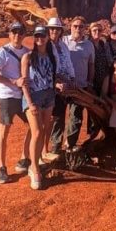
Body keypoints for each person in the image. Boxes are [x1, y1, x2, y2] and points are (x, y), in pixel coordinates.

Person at [0, 21, 31, 184]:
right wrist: (14, 82)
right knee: (4, 130)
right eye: (14, 32)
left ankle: (24, 159)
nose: (17, 35)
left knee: (34, 126)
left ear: (24, 35)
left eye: (20, 32)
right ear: (9, 34)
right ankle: (1, 168)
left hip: (23, 97)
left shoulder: (27, 52)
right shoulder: (2, 52)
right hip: (7, 97)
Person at [20, 25, 57, 189]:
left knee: (44, 129)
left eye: (42, 35)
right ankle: (33, 169)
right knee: (36, 132)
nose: (40, 38)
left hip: (48, 96)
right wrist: (29, 103)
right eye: (37, 36)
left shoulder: (51, 57)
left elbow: (52, 76)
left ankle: (38, 160)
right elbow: (24, 82)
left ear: (47, 37)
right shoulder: (28, 57)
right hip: (33, 97)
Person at [61, 16, 96, 152]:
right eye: (75, 26)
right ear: (70, 27)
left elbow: (91, 65)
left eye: (81, 27)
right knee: (58, 117)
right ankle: (56, 146)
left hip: (80, 87)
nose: (78, 29)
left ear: (85, 29)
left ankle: (70, 144)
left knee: (75, 117)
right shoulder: (63, 41)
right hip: (62, 86)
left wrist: (90, 82)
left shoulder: (89, 45)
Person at [45, 17, 75, 160]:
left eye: (57, 29)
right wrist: (55, 83)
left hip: (65, 85)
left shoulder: (63, 46)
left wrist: (72, 78)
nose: (54, 31)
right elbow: (46, 67)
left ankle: (56, 146)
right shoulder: (46, 45)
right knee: (51, 118)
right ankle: (45, 149)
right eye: (52, 29)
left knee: (60, 116)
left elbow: (68, 62)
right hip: (51, 86)